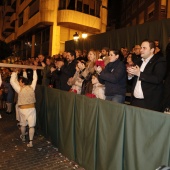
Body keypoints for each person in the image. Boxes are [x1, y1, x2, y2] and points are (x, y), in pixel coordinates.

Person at [127, 40, 166, 111]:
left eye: (144, 48)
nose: (141, 50)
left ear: (152, 50)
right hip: (135, 101)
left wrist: (139, 73)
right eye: (141, 48)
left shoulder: (159, 61)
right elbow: (132, 82)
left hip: (149, 103)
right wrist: (130, 75)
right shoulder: (139, 61)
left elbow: (157, 79)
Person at [10, 66, 37, 147]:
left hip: (23, 109)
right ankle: (31, 142)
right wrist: (35, 71)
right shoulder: (32, 87)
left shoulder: (19, 89)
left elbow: (12, 81)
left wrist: (14, 72)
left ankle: (23, 137)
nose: (19, 82)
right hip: (32, 108)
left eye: (20, 81)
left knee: (23, 124)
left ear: (23, 83)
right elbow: (35, 80)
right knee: (31, 125)